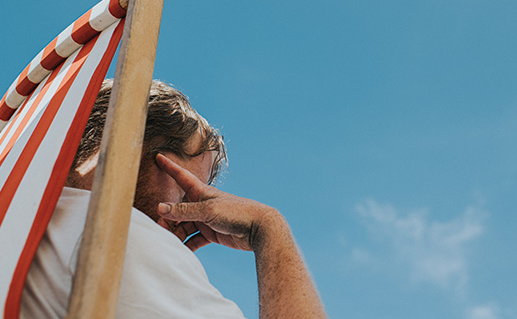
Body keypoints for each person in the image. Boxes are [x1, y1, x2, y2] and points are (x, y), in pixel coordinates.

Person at [21, 79, 326, 319]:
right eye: (185, 190)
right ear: (120, 147)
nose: (189, 217)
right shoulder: (116, 234)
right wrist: (270, 228)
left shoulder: (21, 221)